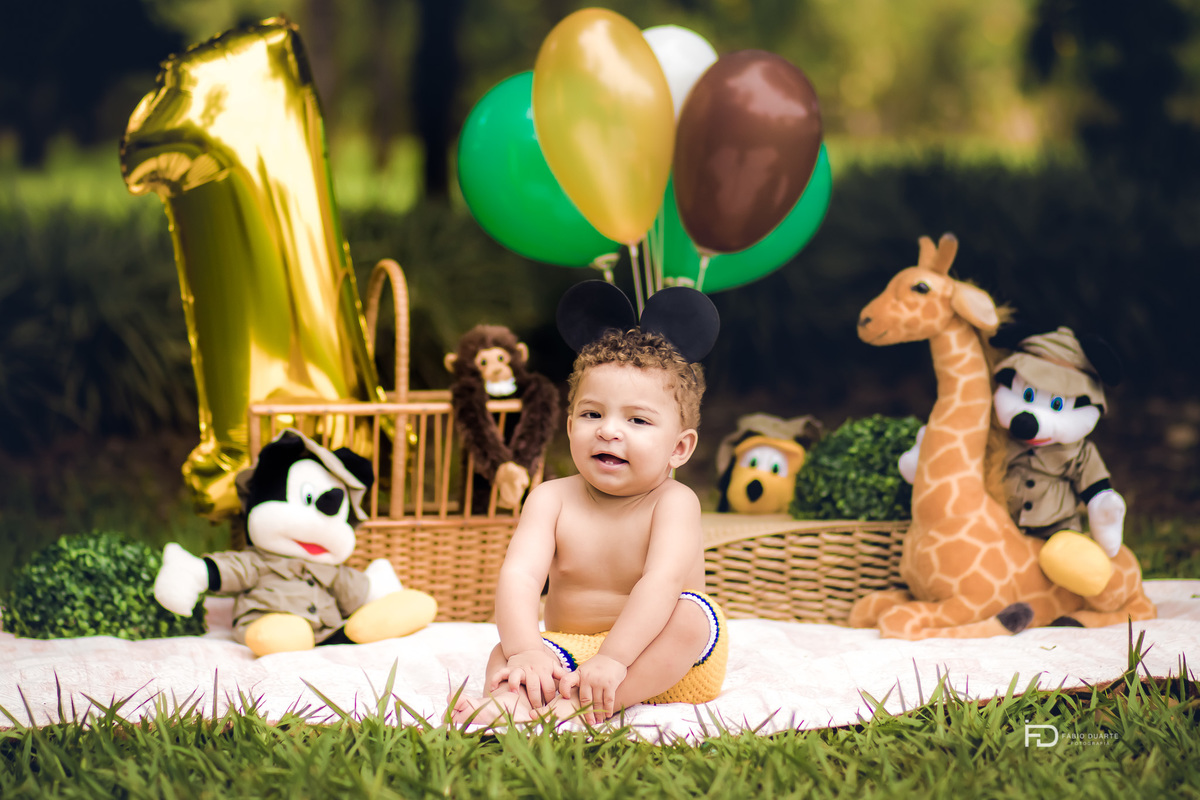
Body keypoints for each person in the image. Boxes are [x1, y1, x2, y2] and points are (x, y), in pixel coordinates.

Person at [449, 326, 727, 725]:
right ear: (569, 427)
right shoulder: (550, 498)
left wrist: (614, 658)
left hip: (665, 663)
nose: (608, 430)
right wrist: (527, 651)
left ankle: (590, 705)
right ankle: (515, 700)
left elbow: (661, 583)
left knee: (692, 616)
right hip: (573, 656)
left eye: (637, 420)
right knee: (507, 651)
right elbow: (520, 576)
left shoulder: (674, 503)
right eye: (592, 414)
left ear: (679, 448)